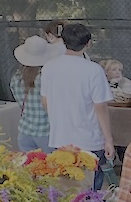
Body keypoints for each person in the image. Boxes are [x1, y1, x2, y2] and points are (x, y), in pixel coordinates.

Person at [41, 23, 114, 191]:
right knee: (90, 188)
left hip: (60, 137)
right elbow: (100, 107)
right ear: (88, 43)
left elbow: (45, 102)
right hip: (89, 139)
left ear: (63, 41)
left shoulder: (49, 67)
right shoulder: (94, 70)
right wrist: (108, 139)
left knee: (66, 187)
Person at [10, 36, 63, 153]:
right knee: (51, 168)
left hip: (25, 130)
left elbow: (19, 102)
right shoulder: (47, 78)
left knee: (28, 167)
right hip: (47, 132)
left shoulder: (16, 78)